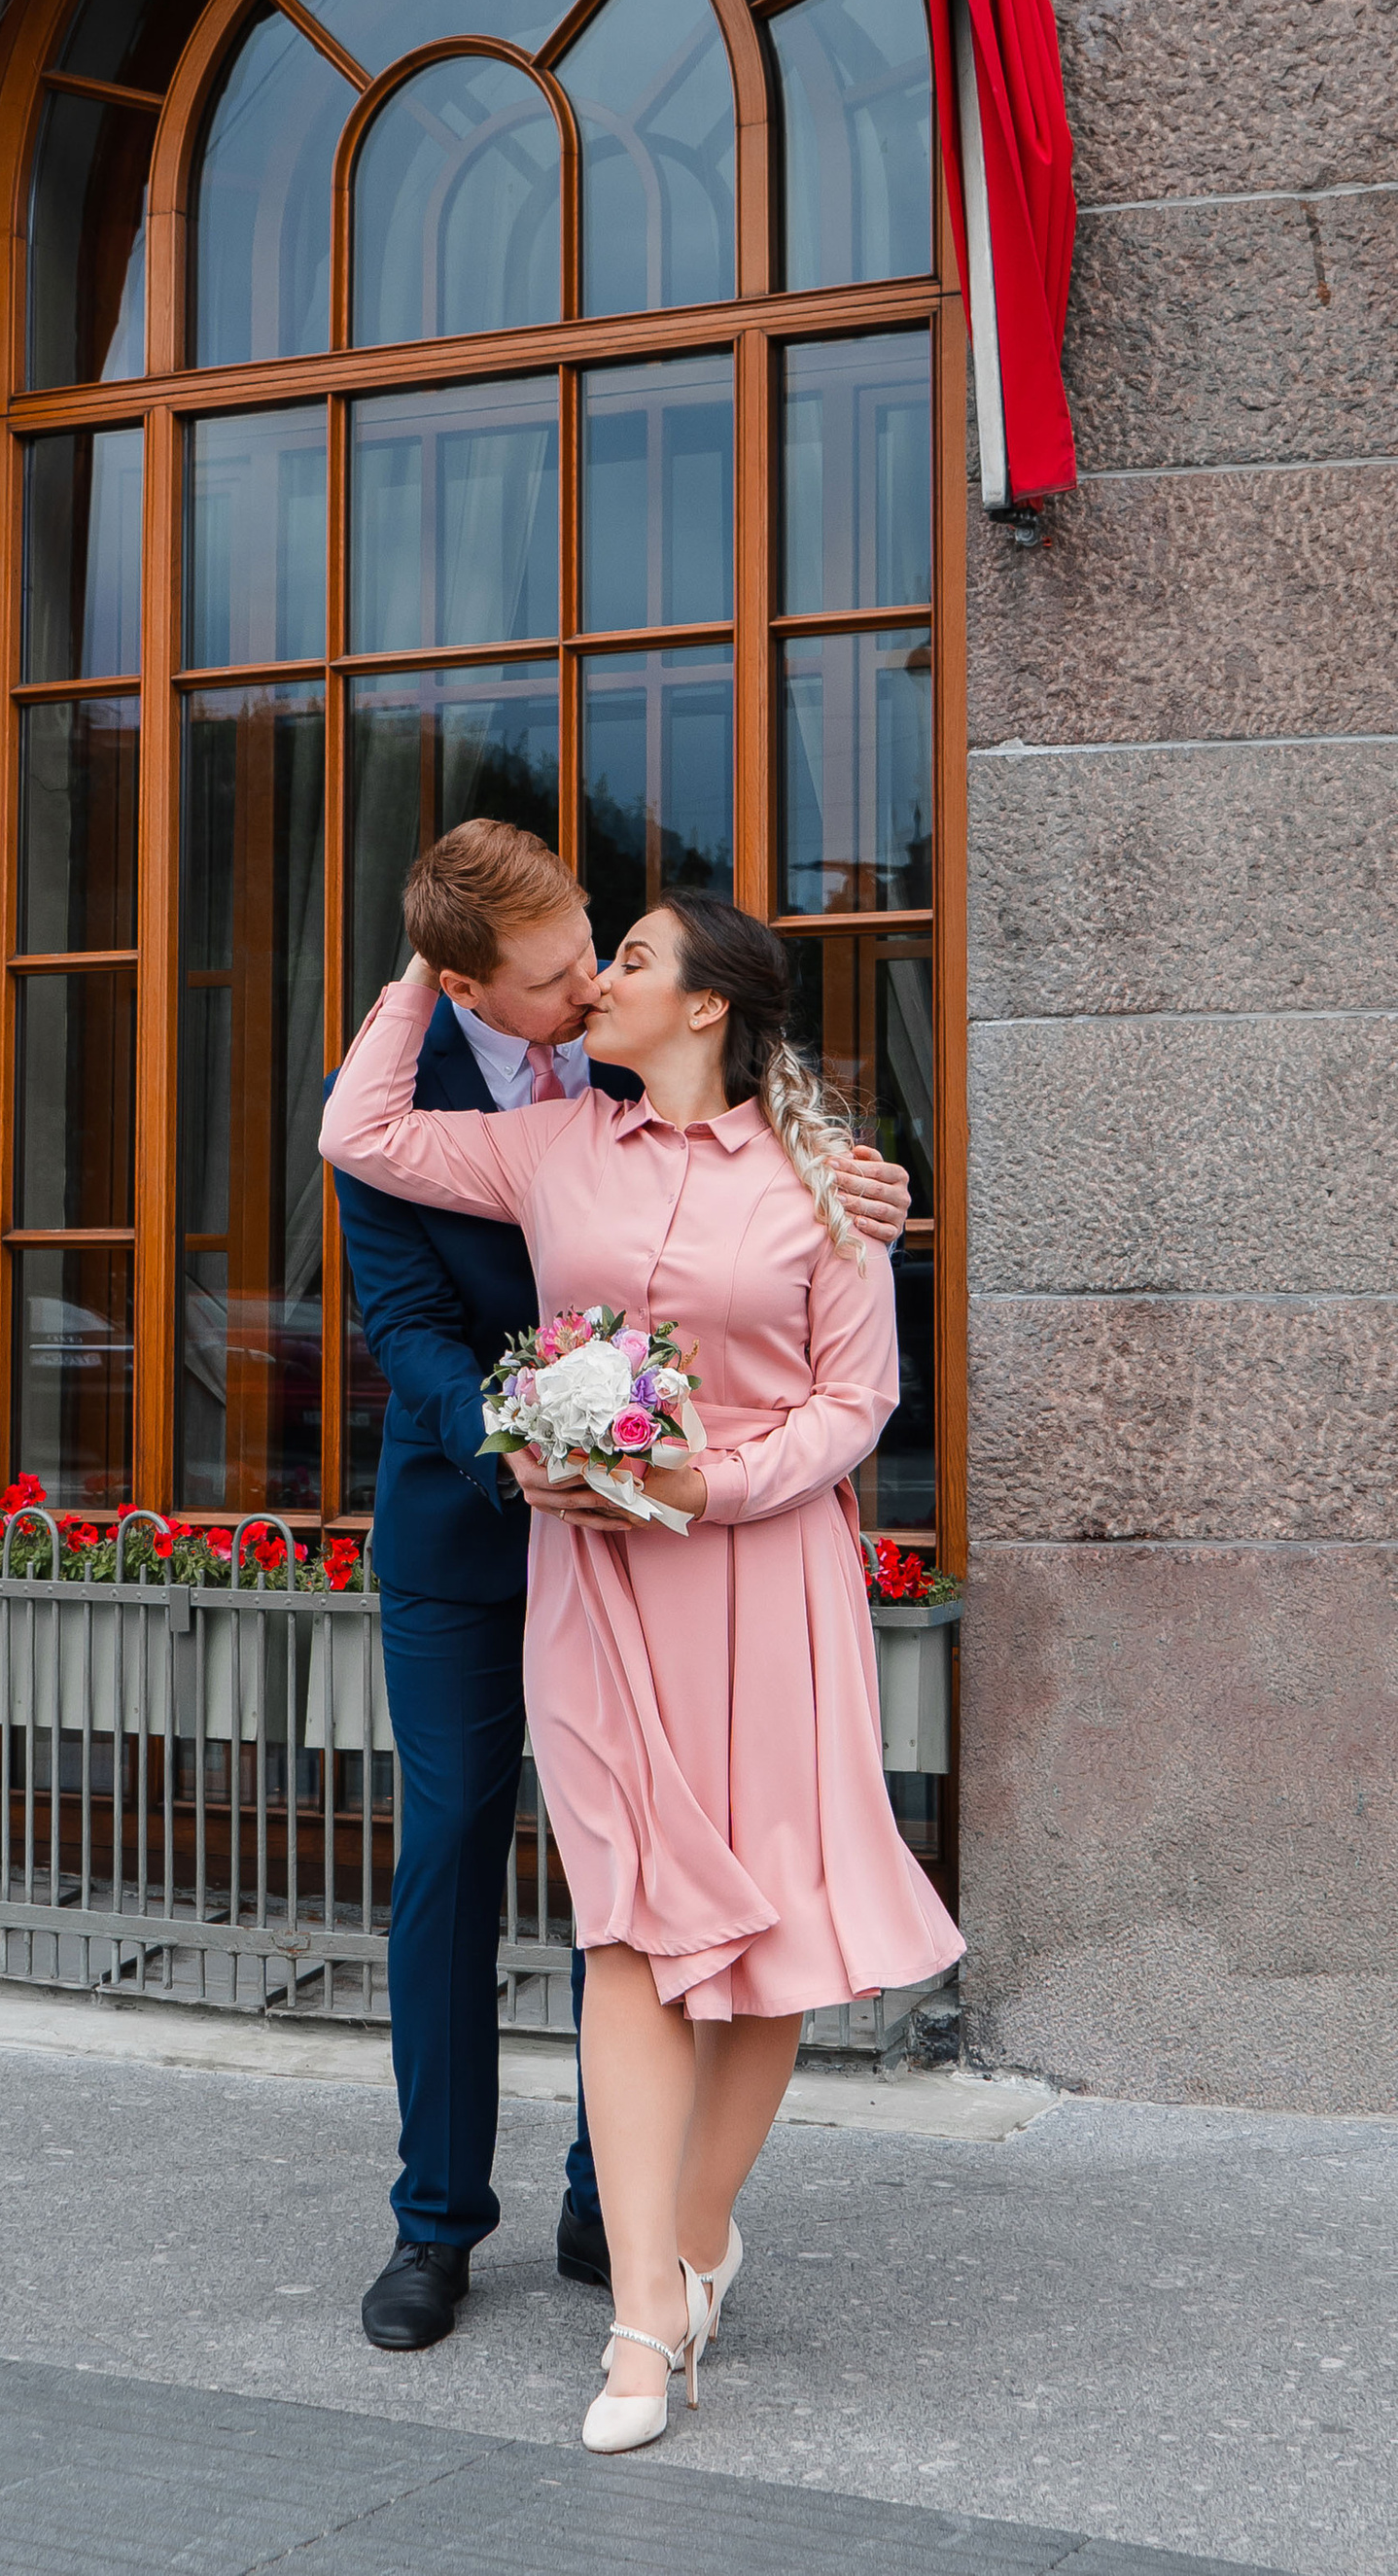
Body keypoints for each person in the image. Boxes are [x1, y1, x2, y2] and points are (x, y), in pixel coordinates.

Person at [322, 888, 961, 2454]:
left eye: (630, 959)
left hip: (765, 1583)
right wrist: (431, 949)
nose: (598, 976)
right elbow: (360, 1128)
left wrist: (712, 1483)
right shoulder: (550, 1151)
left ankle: (688, 2241)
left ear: (707, 1009)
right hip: (595, 1587)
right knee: (625, 1927)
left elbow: (856, 1401)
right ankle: (637, 2329)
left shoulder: (828, 1183)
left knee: (765, 1934)